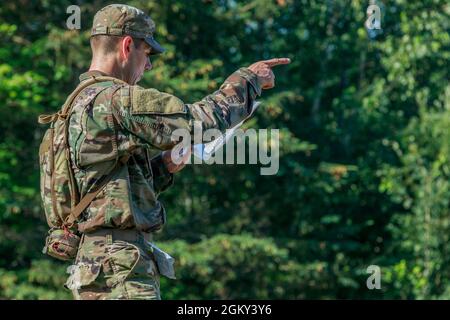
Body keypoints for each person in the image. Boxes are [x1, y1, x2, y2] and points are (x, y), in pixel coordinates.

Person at [64, 3, 290, 300]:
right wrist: (249, 80)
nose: (149, 66)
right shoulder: (115, 99)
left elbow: (100, 193)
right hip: (119, 269)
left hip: (93, 266)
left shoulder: (72, 107)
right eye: (147, 54)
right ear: (127, 45)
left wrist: (163, 166)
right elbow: (196, 123)